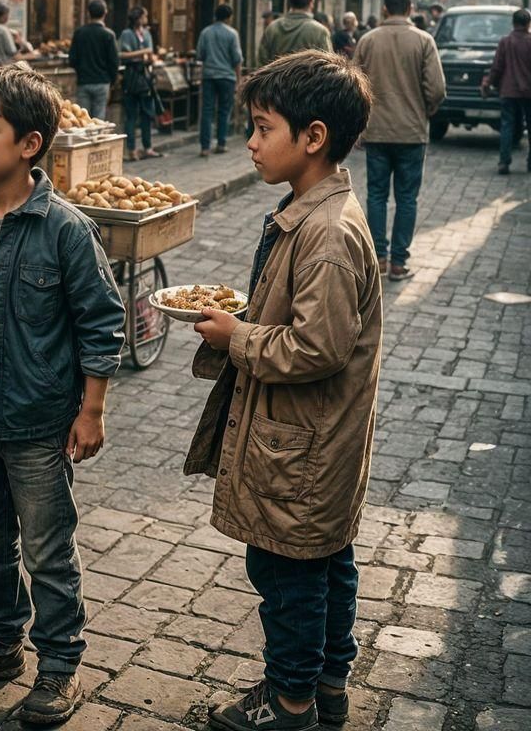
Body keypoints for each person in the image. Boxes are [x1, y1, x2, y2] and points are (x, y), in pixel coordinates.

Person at [0, 65, 125, 726]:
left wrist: (92, 410)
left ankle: (59, 665)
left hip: (39, 423)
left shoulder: (64, 229)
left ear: (29, 144)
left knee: (47, 552)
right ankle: (2, 643)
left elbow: (102, 322)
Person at [186, 49, 382, 731]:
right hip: (313, 441)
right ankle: (327, 685)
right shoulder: (309, 211)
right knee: (325, 564)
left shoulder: (326, 233)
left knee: (287, 574)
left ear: (313, 136)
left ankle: (292, 701)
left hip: (301, 447)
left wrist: (236, 335)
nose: (250, 141)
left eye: (263, 128)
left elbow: (316, 347)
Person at [353, 0, 446, 281]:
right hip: (411, 133)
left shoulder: (368, 40)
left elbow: (353, 86)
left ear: (384, 9)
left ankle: (378, 259)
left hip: (376, 132)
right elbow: (437, 89)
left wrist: (359, 124)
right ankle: (398, 263)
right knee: (407, 199)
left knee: (376, 196)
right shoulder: (424, 40)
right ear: (410, 8)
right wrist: (425, 110)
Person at [484, 7, 531, 174]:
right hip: (529, 92)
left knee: (507, 126)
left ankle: (504, 162)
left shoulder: (505, 42)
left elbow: (497, 67)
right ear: (528, 24)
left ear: (513, 23)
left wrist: (488, 83)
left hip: (508, 90)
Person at [196, 4, 244, 157]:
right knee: (224, 110)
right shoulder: (232, 34)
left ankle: (205, 147)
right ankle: (221, 143)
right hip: (227, 77)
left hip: (209, 76)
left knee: (207, 111)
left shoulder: (205, 32)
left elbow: (200, 55)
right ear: (229, 18)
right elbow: (237, 59)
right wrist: (239, 80)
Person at [119, 6, 162, 159]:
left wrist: (150, 57)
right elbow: (122, 54)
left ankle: (147, 147)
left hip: (145, 76)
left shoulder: (147, 33)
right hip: (132, 75)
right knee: (131, 115)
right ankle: (131, 149)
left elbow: (151, 54)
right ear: (138, 18)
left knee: (147, 113)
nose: (146, 19)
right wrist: (143, 52)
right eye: (144, 16)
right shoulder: (127, 34)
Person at [68, 0, 119, 121]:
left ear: (88, 13)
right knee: (98, 121)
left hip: (83, 82)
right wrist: (112, 81)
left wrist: (81, 71)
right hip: (102, 82)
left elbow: (72, 59)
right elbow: (114, 62)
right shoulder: (109, 35)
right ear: (105, 13)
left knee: (82, 120)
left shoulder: (79, 33)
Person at [257, 0, 331, 65]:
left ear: (289, 2)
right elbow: (328, 66)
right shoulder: (320, 31)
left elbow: (261, 62)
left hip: (276, 73)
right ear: (311, 2)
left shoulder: (272, 28)